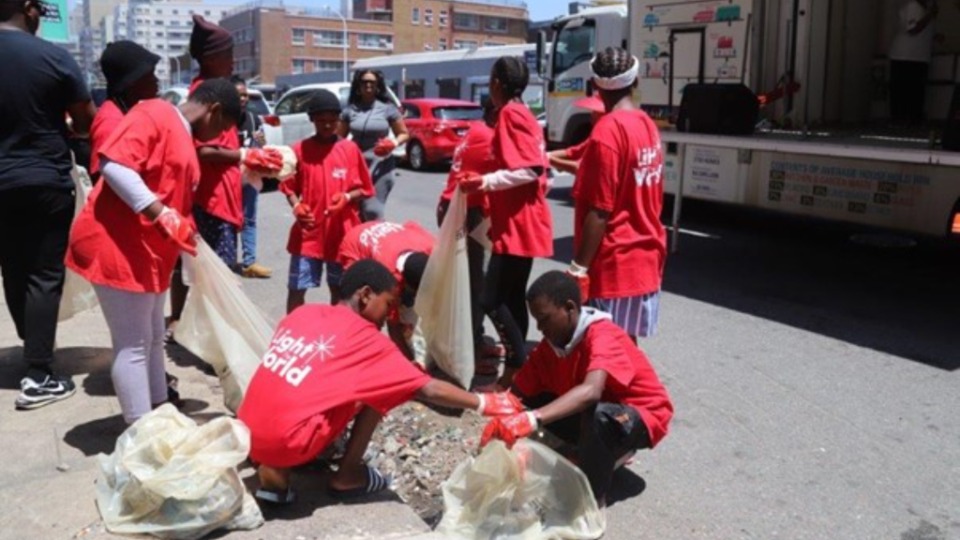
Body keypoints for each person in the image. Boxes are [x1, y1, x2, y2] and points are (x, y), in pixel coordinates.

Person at [238, 259, 525, 505]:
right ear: (365, 295)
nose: (390, 314)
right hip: (286, 442)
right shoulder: (367, 339)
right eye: (388, 303)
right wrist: (485, 402)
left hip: (246, 433)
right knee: (383, 390)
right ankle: (346, 476)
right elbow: (428, 387)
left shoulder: (302, 313)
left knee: (310, 387)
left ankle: (277, 473)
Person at [65, 79, 241, 424]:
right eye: (222, 128)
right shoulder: (155, 112)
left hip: (149, 254)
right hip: (116, 245)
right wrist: (159, 213)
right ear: (214, 109)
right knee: (133, 343)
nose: (218, 137)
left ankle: (159, 409)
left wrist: (186, 233)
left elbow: (174, 198)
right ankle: (141, 429)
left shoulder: (184, 137)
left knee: (153, 336)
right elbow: (114, 166)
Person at [480, 271, 673, 508]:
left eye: (545, 319)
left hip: (640, 417)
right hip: (597, 411)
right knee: (529, 403)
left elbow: (591, 391)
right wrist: (499, 426)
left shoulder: (602, 334)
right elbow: (517, 393)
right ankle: (586, 453)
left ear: (570, 308)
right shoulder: (549, 348)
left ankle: (591, 500)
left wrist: (532, 419)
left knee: (599, 418)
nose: (540, 328)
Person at [1, 0, 96, 410]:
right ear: (27, 8)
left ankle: (31, 347)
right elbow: (87, 118)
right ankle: (39, 373)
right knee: (43, 273)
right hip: (43, 179)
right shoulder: (53, 57)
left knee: (12, 265)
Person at [165, 15, 281, 340]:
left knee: (208, 273)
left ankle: (202, 332)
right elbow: (201, 152)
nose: (232, 62)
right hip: (209, 202)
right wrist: (245, 155)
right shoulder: (203, 95)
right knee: (216, 277)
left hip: (223, 197)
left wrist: (250, 161)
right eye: (228, 55)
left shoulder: (216, 90)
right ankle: (216, 340)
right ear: (211, 57)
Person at [458, 56, 554, 389]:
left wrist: (485, 182)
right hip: (521, 220)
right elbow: (544, 171)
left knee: (491, 299)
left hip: (519, 223)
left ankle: (517, 368)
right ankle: (516, 376)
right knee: (512, 299)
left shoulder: (510, 114)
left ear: (497, 83)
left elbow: (531, 169)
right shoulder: (524, 113)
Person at [569, 47, 666, 341]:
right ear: (635, 82)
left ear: (596, 86)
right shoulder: (646, 124)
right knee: (625, 351)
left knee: (608, 355)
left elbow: (600, 210)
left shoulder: (606, 132)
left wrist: (579, 268)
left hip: (616, 263)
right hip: (646, 256)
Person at [284, 89, 373, 313]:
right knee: (296, 289)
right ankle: (294, 332)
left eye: (332, 121)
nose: (326, 126)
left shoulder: (350, 149)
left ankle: (338, 336)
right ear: (311, 120)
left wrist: (346, 197)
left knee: (341, 291)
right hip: (309, 234)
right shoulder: (299, 150)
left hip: (341, 235)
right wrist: (296, 205)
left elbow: (364, 188)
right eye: (321, 121)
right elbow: (288, 187)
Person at [436, 98, 503, 373]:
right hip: (465, 212)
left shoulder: (476, 130)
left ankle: (472, 339)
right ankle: (467, 352)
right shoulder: (489, 138)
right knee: (472, 284)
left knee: (468, 281)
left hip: (458, 208)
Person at [337, 220, 433, 360]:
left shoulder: (430, 245)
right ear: (405, 283)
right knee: (362, 308)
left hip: (389, 236)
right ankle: (349, 347)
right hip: (354, 243)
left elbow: (412, 225)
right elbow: (392, 325)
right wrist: (409, 363)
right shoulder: (390, 280)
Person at [337, 69, 410, 222]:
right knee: (355, 209)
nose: (368, 85)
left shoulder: (388, 109)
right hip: (355, 165)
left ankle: (376, 243)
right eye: (364, 82)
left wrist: (393, 143)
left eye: (372, 82)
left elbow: (404, 134)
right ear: (358, 86)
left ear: (378, 86)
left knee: (372, 210)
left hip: (380, 166)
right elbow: (339, 138)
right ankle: (359, 243)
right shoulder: (349, 111)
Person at [89, 41, 160, 184]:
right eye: (150, 75)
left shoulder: (127, 113)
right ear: (133, 82)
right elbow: (103, 178)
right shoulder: (111, 122)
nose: (156, 80)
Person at [232, 75, 272, 279]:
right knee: (228, 220)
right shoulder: (223, 119)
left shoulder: (253, 118)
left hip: (248, 176)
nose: (243, 99)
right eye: (239, 95)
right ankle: (228, 261)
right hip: (227, 178)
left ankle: (249, 262)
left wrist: (261, 142)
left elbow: (260, 146)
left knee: (249, 218)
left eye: (245, 95)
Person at [888, 0, 938, 126]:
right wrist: (930, 15)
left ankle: (913, 119)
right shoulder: (913, 6)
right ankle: (902, 120)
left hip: (919, 56)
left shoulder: (923, 9)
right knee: (906, 91)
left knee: (916, 91)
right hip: (907, 56)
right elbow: (913, 29)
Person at [547, 95, 606, 174]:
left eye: (595, 112)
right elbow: (574, 151)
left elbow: (580, 168)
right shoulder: (597, 134)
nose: (591, 115)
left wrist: (551, 160)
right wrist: (546, 155)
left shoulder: (603, 136)